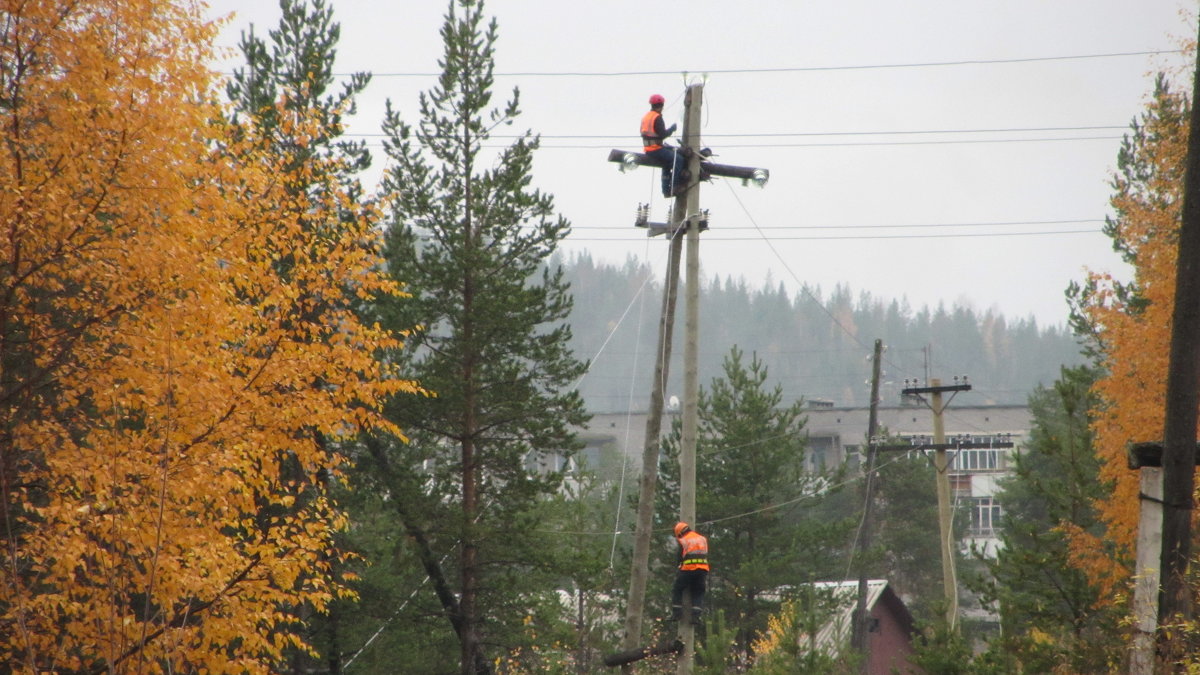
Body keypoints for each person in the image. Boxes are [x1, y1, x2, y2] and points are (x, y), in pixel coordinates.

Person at [641, 94, 687, 197]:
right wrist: (672, 129)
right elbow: (662, 134)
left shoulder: (646, 117)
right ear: (661, 105)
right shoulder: (657, 118)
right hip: (656, 149)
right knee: (678, 159)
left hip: (648, 149)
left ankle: (666, 190)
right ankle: (675, 187)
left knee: (666, 163)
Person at [671, 521, 709, 624]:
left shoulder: (683, 540)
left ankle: (677, 614)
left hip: (688, 569)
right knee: (698, 592)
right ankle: (696, 617)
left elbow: (680, 557)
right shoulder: (702, 539)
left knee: (677, 589)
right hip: (702, 569)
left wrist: (678, 568)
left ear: (680, 533)